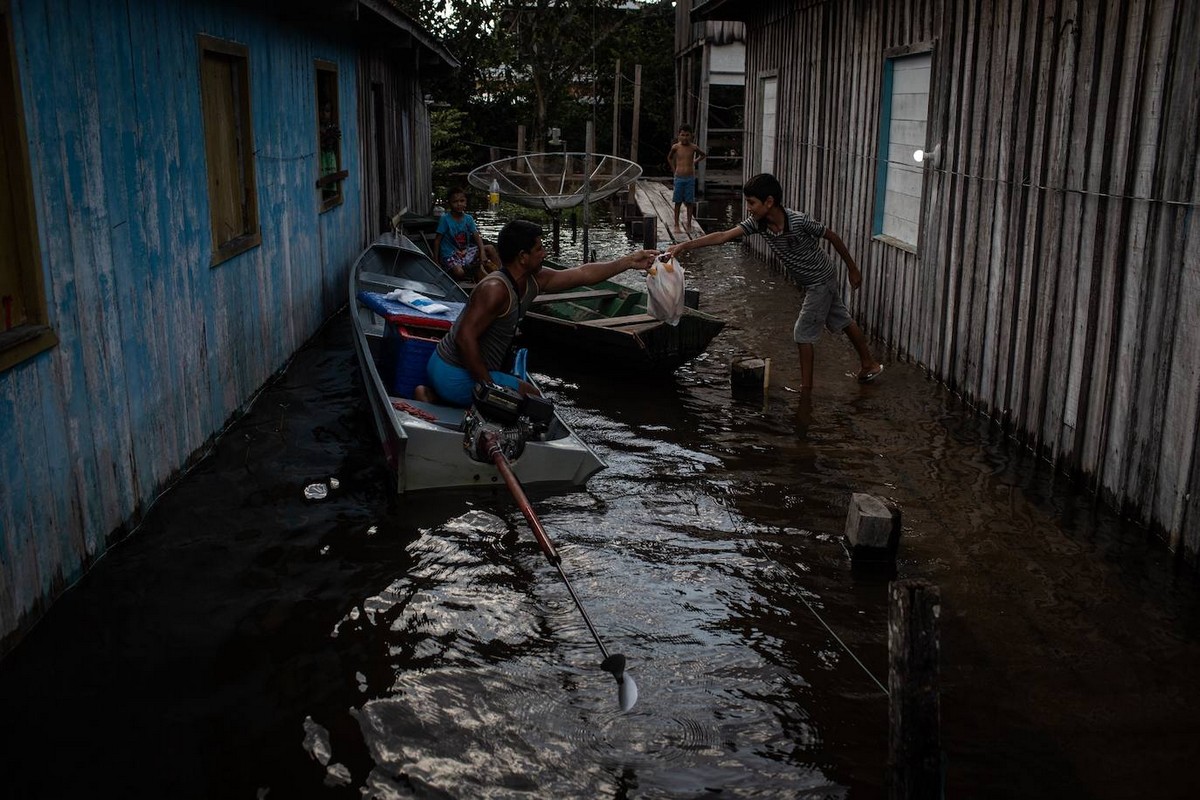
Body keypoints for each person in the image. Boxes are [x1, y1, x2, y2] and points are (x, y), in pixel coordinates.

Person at [665, 173, 884, 390]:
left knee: (802, 333)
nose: (748, 208)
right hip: (813, 282)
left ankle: (806, 389)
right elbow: (723, 236)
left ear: (769, 202)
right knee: (842, 320)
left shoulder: (799, 220)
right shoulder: (758, 224)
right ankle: (869, 364)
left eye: (752, 203)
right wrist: (684, 246)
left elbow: (832, 237)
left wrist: (853, 269)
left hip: (821, 279)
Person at [415, 220, 658, 407]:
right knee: (534, 401)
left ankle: (433, 397)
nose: (544, 253)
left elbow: (583, 273)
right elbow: (464, 338)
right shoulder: (495, 289)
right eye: (539, 249)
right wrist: (488, 387)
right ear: (522, 257)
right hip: (452, 372)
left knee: (517, 399)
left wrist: (627, 261)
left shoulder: (534, 281)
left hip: (461, 371)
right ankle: (442, 395)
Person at [433, 187, 500, 280]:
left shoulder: (468, 219)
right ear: (449, 203)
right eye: (455, 202)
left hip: (465, 252)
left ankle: (501, 274)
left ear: (466, 202)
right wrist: (436, 261)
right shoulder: (445, 219)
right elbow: (437, 241)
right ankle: (473, 271)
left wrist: (482, 253)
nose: (459, 204)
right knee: (459, 273)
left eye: (462, 201)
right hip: (451, 255)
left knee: (490, 248)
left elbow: (477, 237)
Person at [667, 124, 707, 231]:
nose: (685, 137)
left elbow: (703, 155)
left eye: (687, 135)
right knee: (678, 201)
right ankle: (676, 224)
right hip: (679, 177)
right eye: (682, 135)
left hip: (690, 178)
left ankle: (689, 224)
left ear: (691, 136)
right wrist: (673, 168)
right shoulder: (676, 147)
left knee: (689, 202)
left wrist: (695, 161)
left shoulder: (693, 147)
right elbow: (669, 158)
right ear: (679, 136)